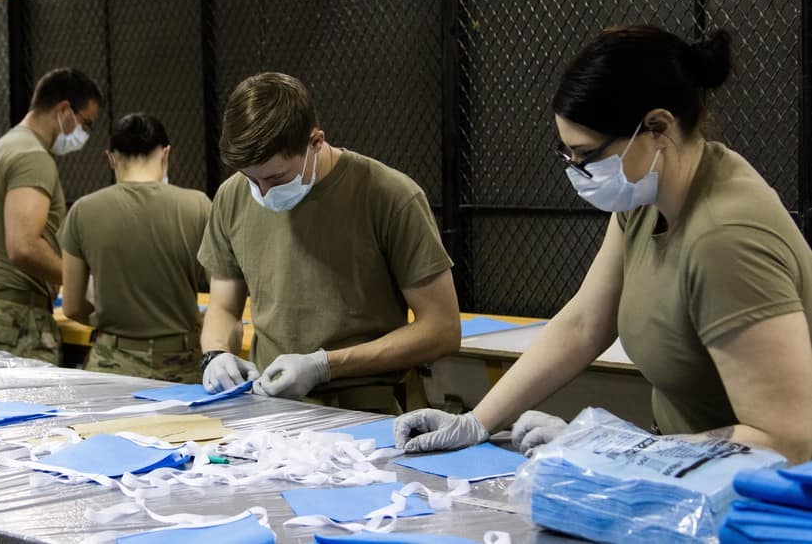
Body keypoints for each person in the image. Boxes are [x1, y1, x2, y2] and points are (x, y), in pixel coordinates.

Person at [394, 26, 812, 464]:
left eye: (587, 155)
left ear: (657, 128)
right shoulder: (650, 193)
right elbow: (585, 322)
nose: (576, 171)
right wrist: (478, 421)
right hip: (694, 473)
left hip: (767, 495)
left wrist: (623, 452)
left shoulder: (725, 238)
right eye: (567, 154)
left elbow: (786, 440)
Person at [197, 72, 460, 414]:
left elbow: (442, 329)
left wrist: (324, 366)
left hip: (366, 409)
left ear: (316, 142)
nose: (263, 193)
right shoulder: (232, 196)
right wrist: (217, 354)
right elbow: (223, 308)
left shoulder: (389, 196)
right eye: (252, 178)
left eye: (277, 177)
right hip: (268, 407)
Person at [59, 113, 211, 383]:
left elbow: (71, 306)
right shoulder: (198, 206)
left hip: (111, 364)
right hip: (181, 364)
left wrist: (112, 325)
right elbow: (223, 295)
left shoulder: (83, 210)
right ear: (166, 154)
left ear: (111, 158)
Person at [0, 68, 102, 364]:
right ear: (64, 110)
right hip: (16, 319)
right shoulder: (32, 157)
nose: (84, 135)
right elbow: (24, 246)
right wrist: (79, 280)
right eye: (85, 124)